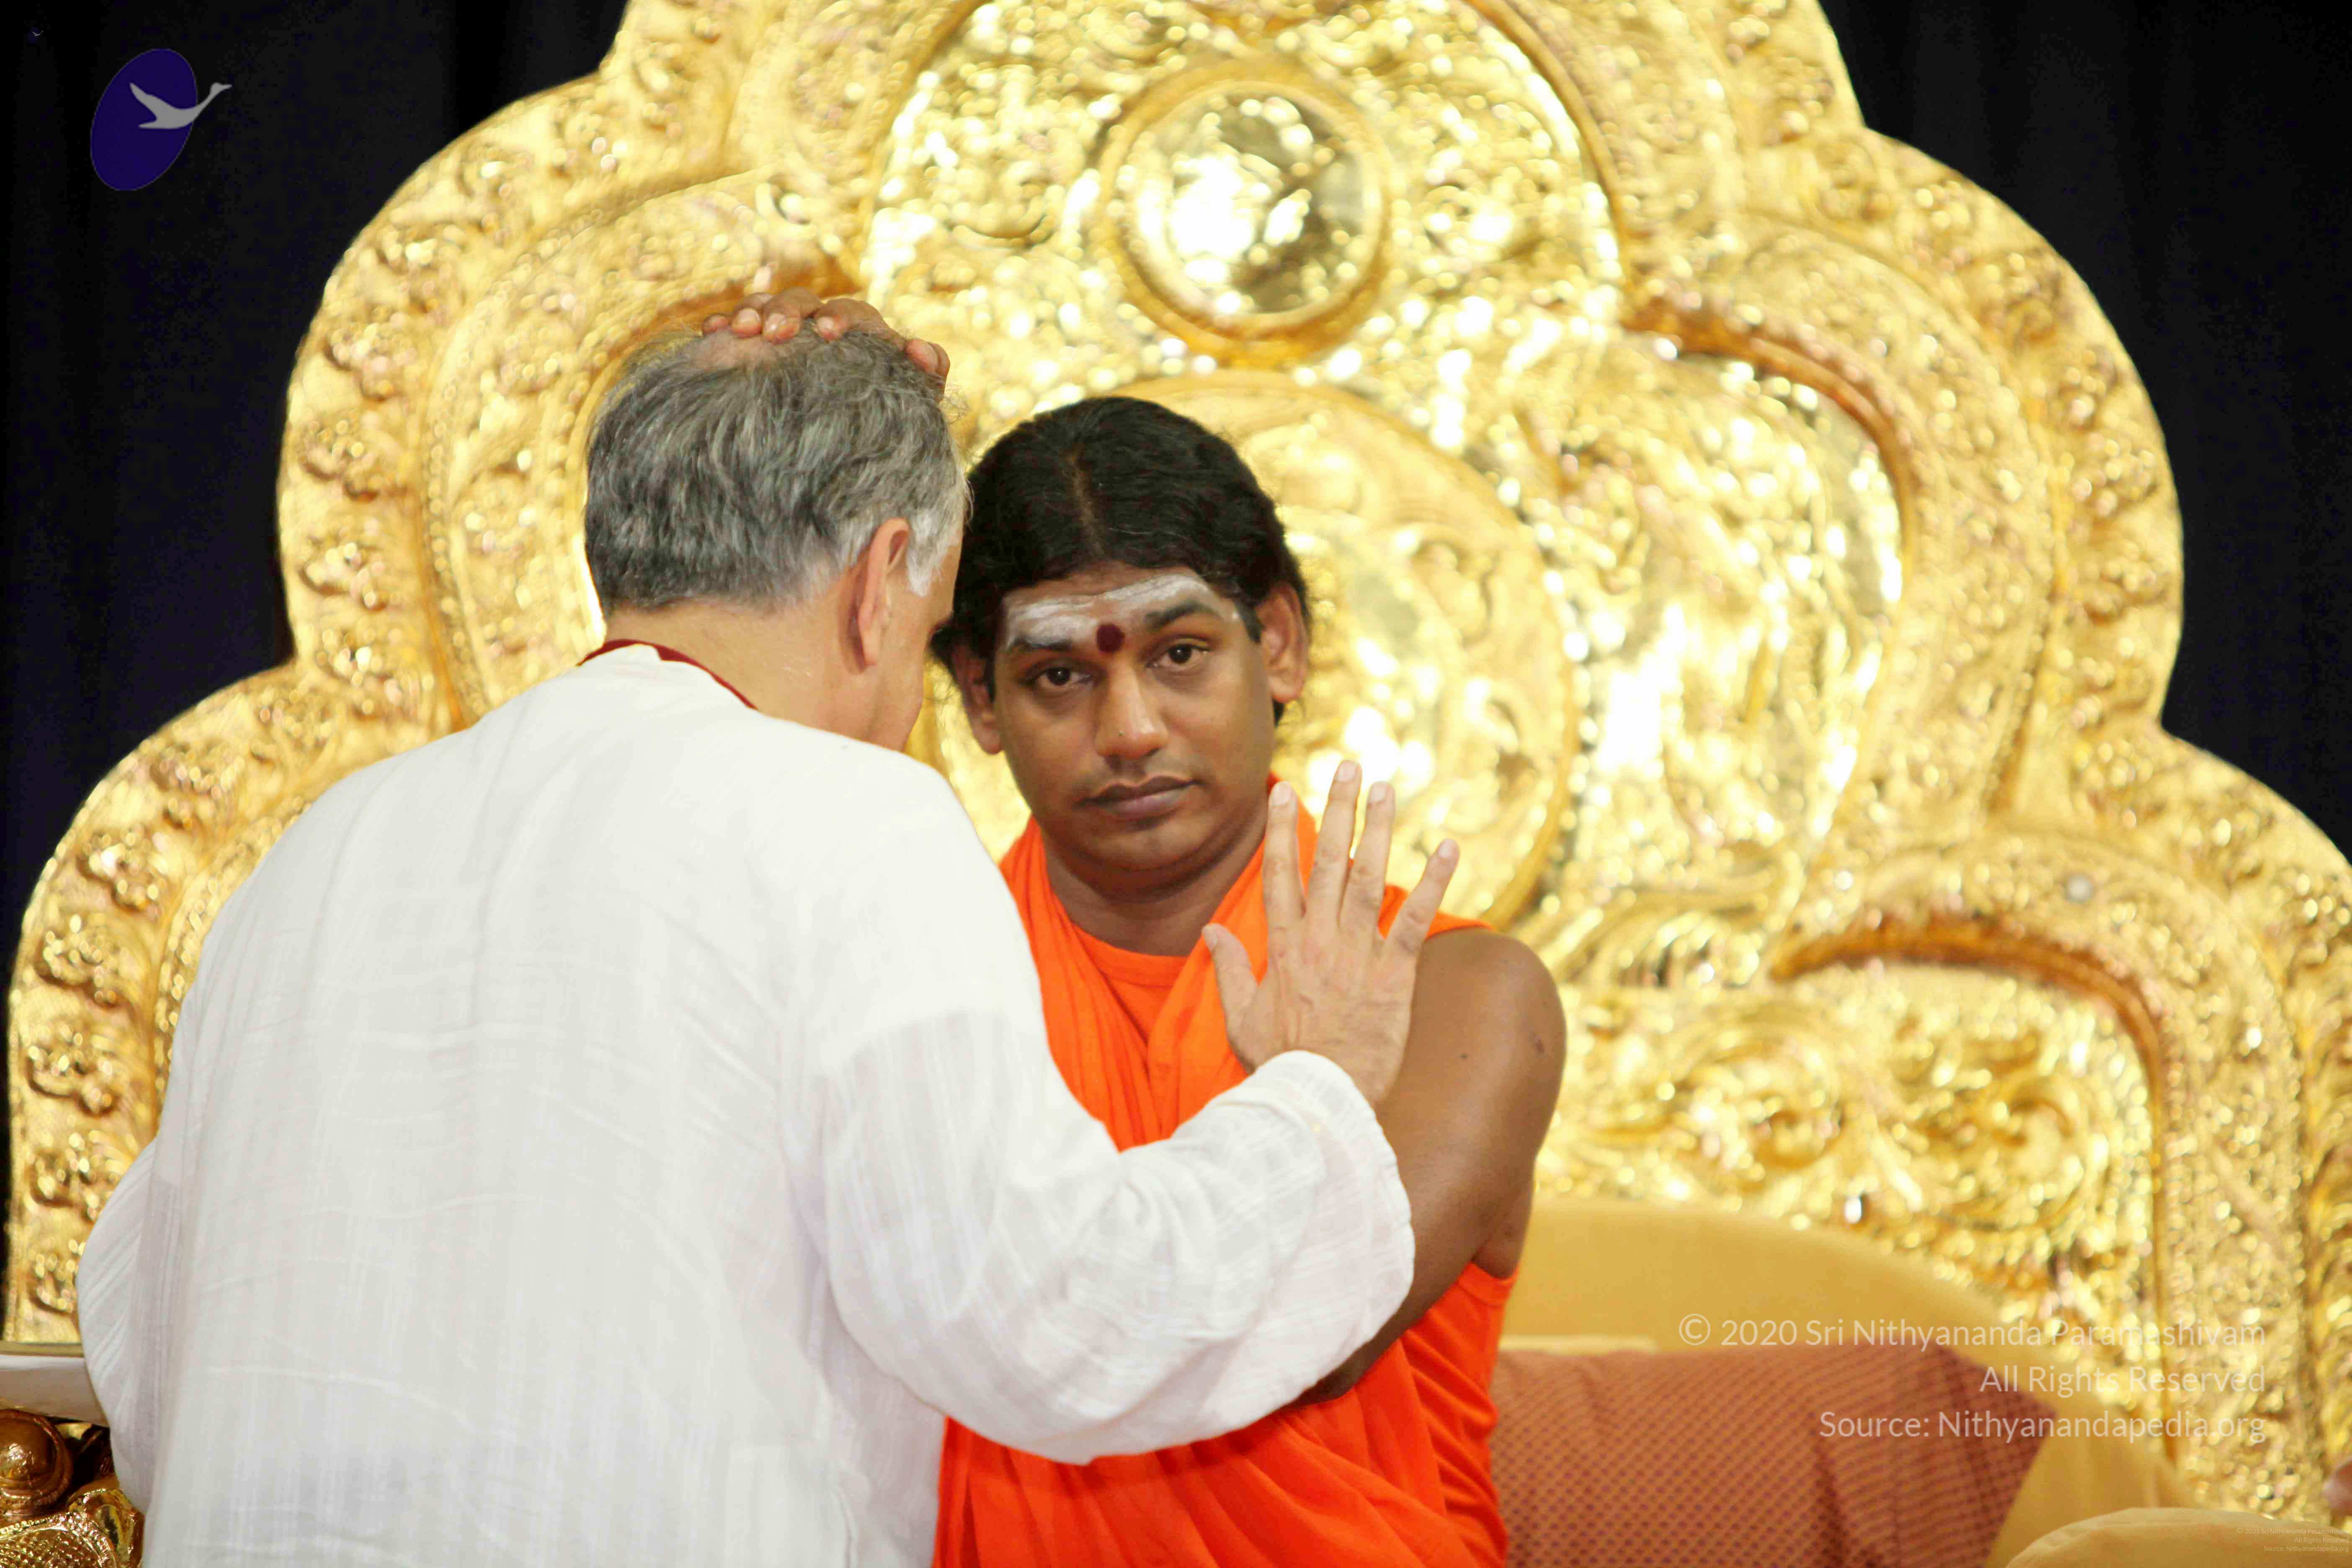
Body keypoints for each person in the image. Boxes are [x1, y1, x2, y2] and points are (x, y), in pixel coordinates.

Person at [75, 294, 1455, 1565]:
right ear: (882, 579)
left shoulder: (320, 851)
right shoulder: (850, 821)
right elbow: (1054, 1319)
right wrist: (1312, 1094)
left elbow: (142, 1358)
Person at [921, 394, 1568, 1567]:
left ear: (1278, 644)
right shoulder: (927, 986)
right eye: (1059, 676)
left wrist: (1305, 1081)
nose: (1130, 730)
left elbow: (1312, 1333)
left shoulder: (1466, 993)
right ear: (979, 698)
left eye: (1178, 655)